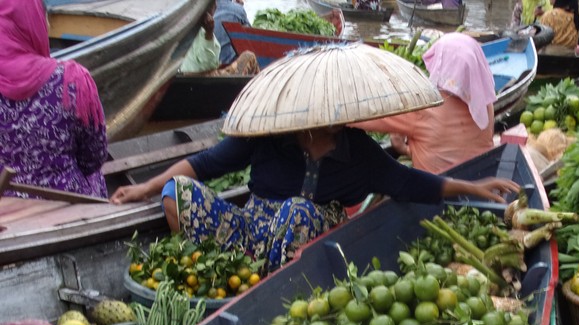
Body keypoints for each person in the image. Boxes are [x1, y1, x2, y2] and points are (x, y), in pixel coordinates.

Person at [110, 125, 519, 270]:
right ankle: (219, 272)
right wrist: (145, 188)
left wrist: (472, 186)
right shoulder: (267, 136)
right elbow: (203, 164)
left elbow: (410, 182)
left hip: (312, 241)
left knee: (298, 211)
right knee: (177, 193)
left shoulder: (358, 151)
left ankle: (269, 286)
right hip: (251, 234)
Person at [0, 0, 107, 198]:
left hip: (5, 205)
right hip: (69, 202)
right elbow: (94, 158)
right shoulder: (72, 80)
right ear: (33, 23)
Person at [355, 33, 496, 175]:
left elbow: (360, 116)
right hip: (480, 180)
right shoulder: (485, 104)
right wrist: (407, 150)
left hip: (438, 187)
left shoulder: (424, 106)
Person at [180, 2, 259, 77]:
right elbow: (206, 63)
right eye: (214, 3)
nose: (216, 6)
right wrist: (209, 33)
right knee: (248, 56)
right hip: (202, 78)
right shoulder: (202, 30)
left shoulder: (187, 24)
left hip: (193, 75)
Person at [213, 0, 249, 66]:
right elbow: (251, 39)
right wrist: (240, 8)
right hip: (228, 65)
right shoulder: (237, 9)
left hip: (204, 66)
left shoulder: (200, 11)